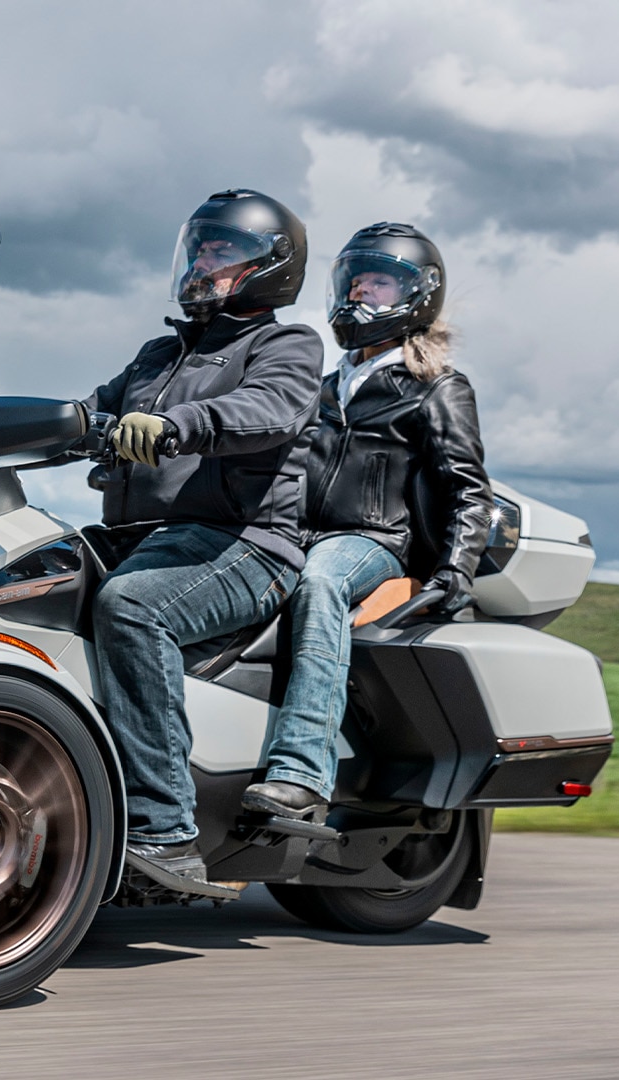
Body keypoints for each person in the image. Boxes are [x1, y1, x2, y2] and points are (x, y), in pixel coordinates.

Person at [83, 189, 324, 893]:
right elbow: (89, 412)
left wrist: (176, 425)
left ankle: (165, 833)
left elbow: (267, 410)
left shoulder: (286, 345)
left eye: (221, 251)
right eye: (199, 249)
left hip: (245, 545)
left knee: (133, 608)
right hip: (144, 538)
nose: (201, 263)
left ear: (270, 265)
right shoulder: (158, 354)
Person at [242, 222, 495, 822]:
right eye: (355, 281)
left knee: (320, 580)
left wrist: (455, 574)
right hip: (296, 532)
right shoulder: (326, 386)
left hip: (373, 541)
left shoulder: (437, 388)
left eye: (379, 283)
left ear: (417, 295)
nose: (361, 293)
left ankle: (303, 772)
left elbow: (469, 489)